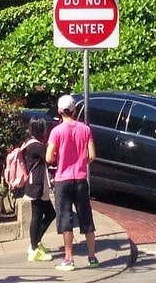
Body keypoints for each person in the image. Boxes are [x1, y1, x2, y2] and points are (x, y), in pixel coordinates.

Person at [46, 95, 98, 272]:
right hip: (81, 178)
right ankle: (92, 257)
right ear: (75, 110)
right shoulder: (85, 129)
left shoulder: (56, 131)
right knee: (86, 217)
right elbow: (92, 155)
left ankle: (68, 258)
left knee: (65, 219)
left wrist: (58, 159)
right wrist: (81, 162)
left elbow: (48, 157)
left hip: (63, 179)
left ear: (59, 111)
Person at [23, 117, 55, 263]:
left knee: (48, 213)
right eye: (44, 128)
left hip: (35, 184)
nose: (46, 131)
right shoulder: (36, 146)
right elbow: (50, 158)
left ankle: (35, 243)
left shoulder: (28, 142)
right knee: (39, 216)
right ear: (39, 130)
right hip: (36, 185)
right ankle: (34, 248)